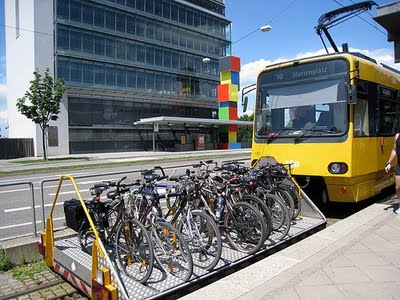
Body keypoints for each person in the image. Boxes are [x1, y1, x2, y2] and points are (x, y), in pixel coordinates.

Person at [385, 132, 400, 200]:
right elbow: (394, 150)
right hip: (399, 165)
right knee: (398, 187)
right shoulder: (397, 136)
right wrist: (389, 162)